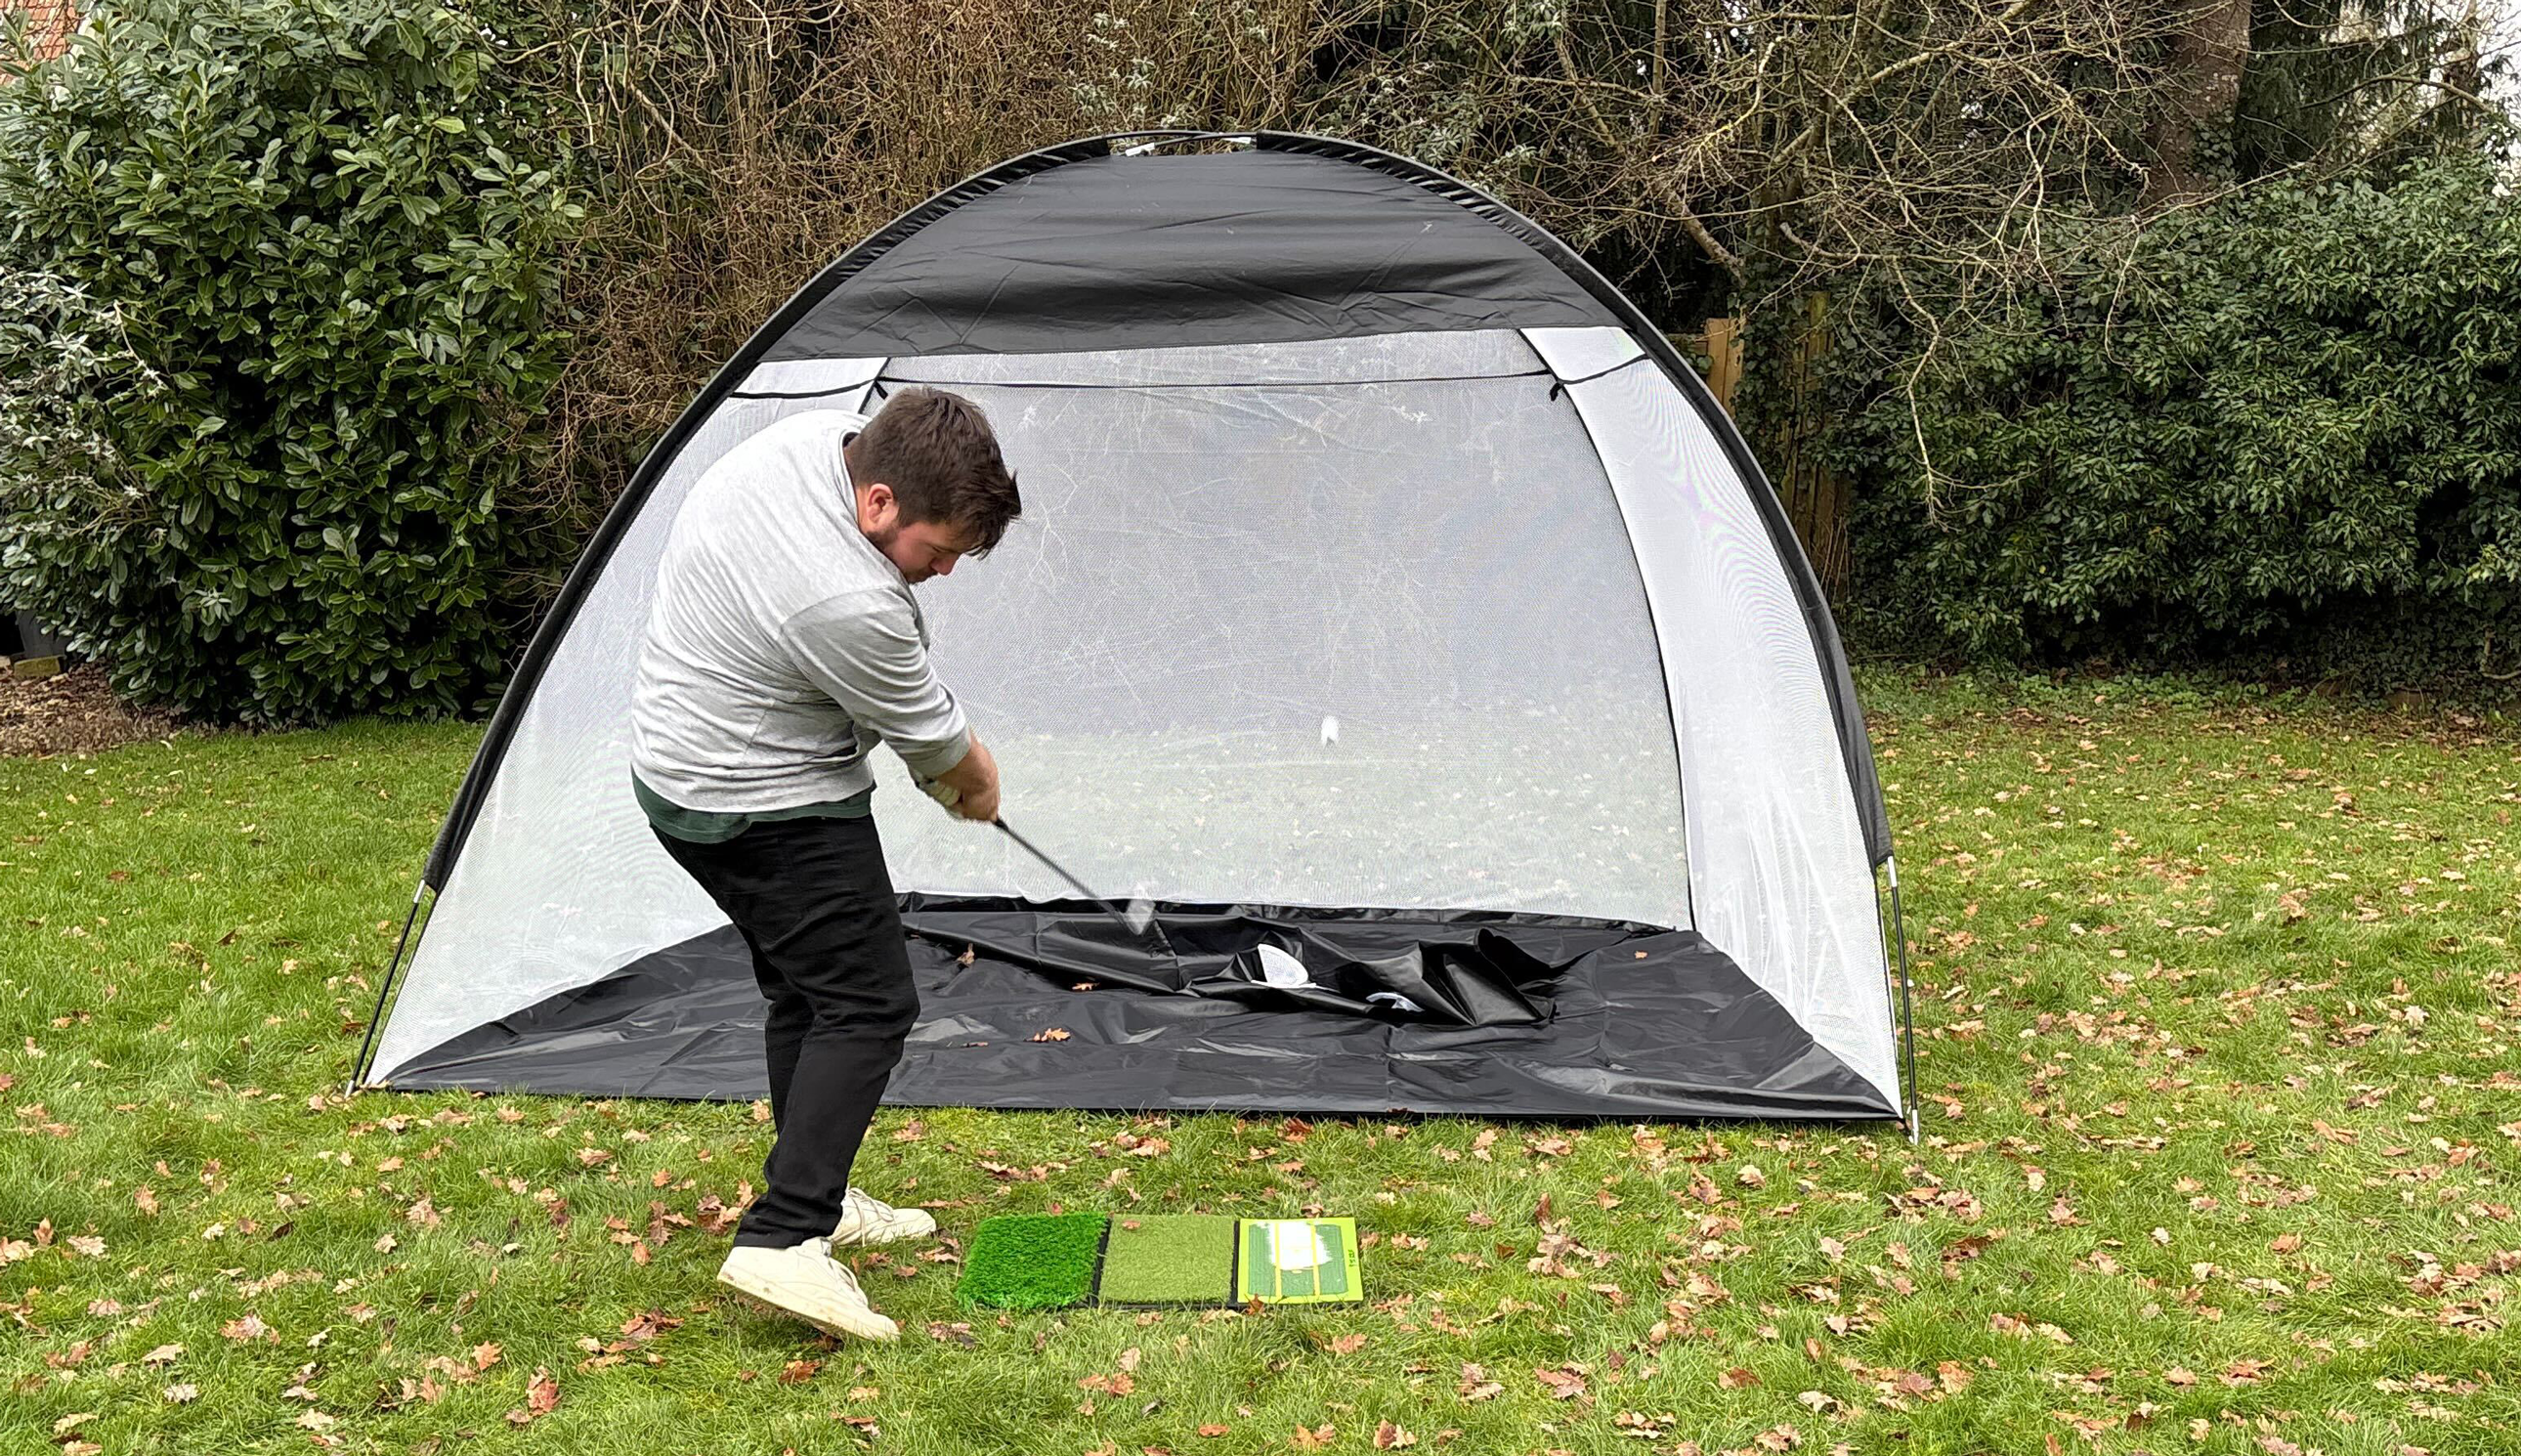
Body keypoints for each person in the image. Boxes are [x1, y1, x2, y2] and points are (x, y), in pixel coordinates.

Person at [627, 387, 1018, 1341]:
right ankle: (784, 1232)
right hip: (756, 797)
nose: (942, 572)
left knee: (806, 991)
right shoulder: (847, 599)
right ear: (880, 502)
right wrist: (979, 790)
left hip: (680, 772)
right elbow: (948, 756)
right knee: (869, 1000)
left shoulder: (814, 443)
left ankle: (819, 1191)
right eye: (939, 552)